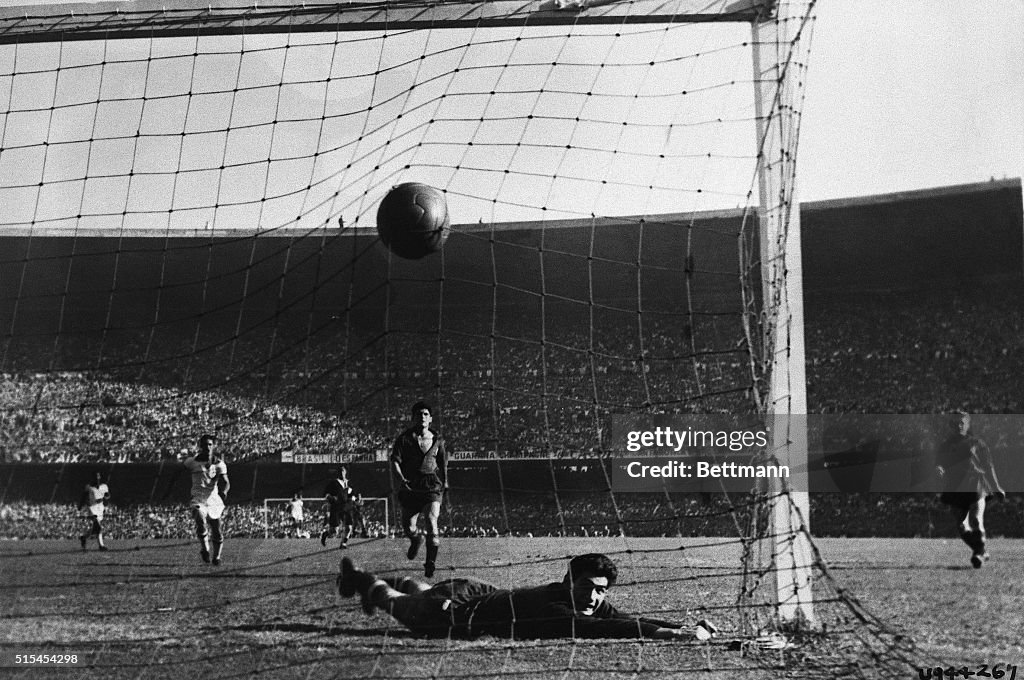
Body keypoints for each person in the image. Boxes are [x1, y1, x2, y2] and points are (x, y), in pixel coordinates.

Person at [337, 553, 718, 641]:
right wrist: (669, 636)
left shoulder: (590, 598)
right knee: (397, 602)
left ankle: (388, 581)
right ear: (569, 581)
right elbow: (606, 629)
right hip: (457, 613)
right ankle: (362, 579)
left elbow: (620, 615)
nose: (596, 597)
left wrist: (680, 627)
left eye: (602, 590)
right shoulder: (556, 608)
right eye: (589, 587)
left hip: (483, 592)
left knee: (422, 589)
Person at [935, 411, 1006, 568]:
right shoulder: (945, 446)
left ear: (967, 424)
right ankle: (980, 551)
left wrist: (996, 486)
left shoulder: (977, 443)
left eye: (962, 422)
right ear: (951, 425)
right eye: (956, 422)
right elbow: (940, 462)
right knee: (962, 526)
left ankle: (979, 554)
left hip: (976, 484)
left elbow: (989, 466)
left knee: (976, 520)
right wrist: (939, 468)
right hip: (955, 487)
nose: (959, 425)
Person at [183, 433, 230, 565]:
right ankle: (205, 550)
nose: (207, 447)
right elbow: (179, 474)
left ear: (214, 446)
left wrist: (224, 491)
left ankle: (217, 557)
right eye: (204, 445)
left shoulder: (220, 464)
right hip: (198, 499)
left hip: (213, 499)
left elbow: (226, 481)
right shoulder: (191, 462)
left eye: (210, 444)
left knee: (216, 529)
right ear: (200, 446)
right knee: (199, 516)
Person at [321, 467, 358, 549]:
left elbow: (353, 494)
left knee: (349, 527)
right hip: (336, 507)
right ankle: (325, 534)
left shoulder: (349, 483)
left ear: (345, 472)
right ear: (338, 473)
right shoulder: (333, 483)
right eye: (340, 471)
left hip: (346, 507)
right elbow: (325, 494)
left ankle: (343, 543)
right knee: (334, 531)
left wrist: (354, 498)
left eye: (343, 471)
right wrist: (330, 497)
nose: (342, 472)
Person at [78, 471, 111, 551]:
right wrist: (80, 506)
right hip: (92, 507)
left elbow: (108, 495)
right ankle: (101, 546)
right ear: (92, 478)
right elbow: (83, 496)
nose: (97, 477)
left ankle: (84, 537)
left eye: (98, 476)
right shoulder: (89, 487)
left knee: (95, 529)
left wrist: (107, 497)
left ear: (100, 477)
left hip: (100, 507)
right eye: (95, 476)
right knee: (98, 526)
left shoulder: (104, 486)